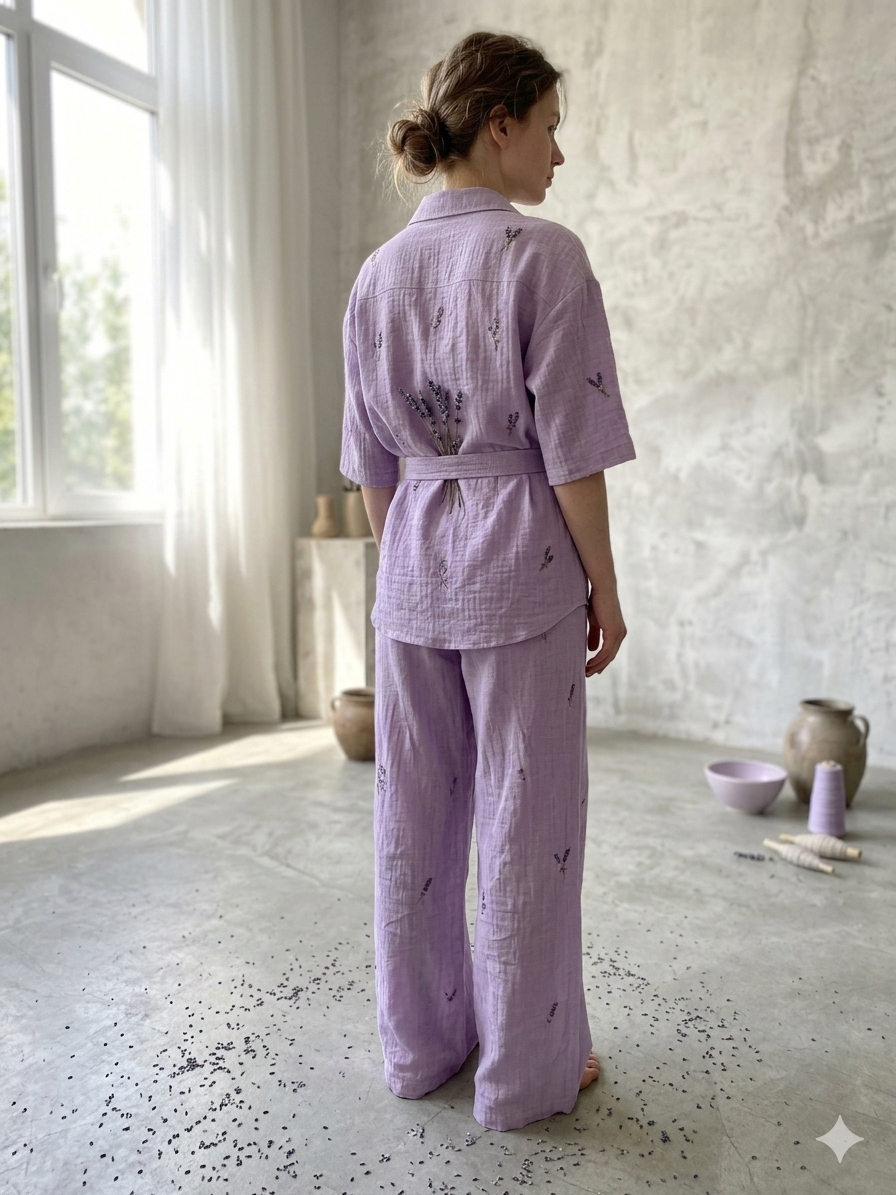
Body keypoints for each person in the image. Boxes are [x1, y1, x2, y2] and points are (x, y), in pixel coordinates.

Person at [339, 30, 635, 1132]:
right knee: (528, 820)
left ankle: (420, 1049)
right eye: (549, 127)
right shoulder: (543, 256)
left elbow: (371, 468)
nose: (558, 152)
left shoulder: (377, 274)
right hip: (524, 573)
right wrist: (605, 587)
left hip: (412, 572)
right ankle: (524, 1076)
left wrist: (411, 565)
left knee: (412, 819)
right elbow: (572, 456)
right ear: (498, 124)